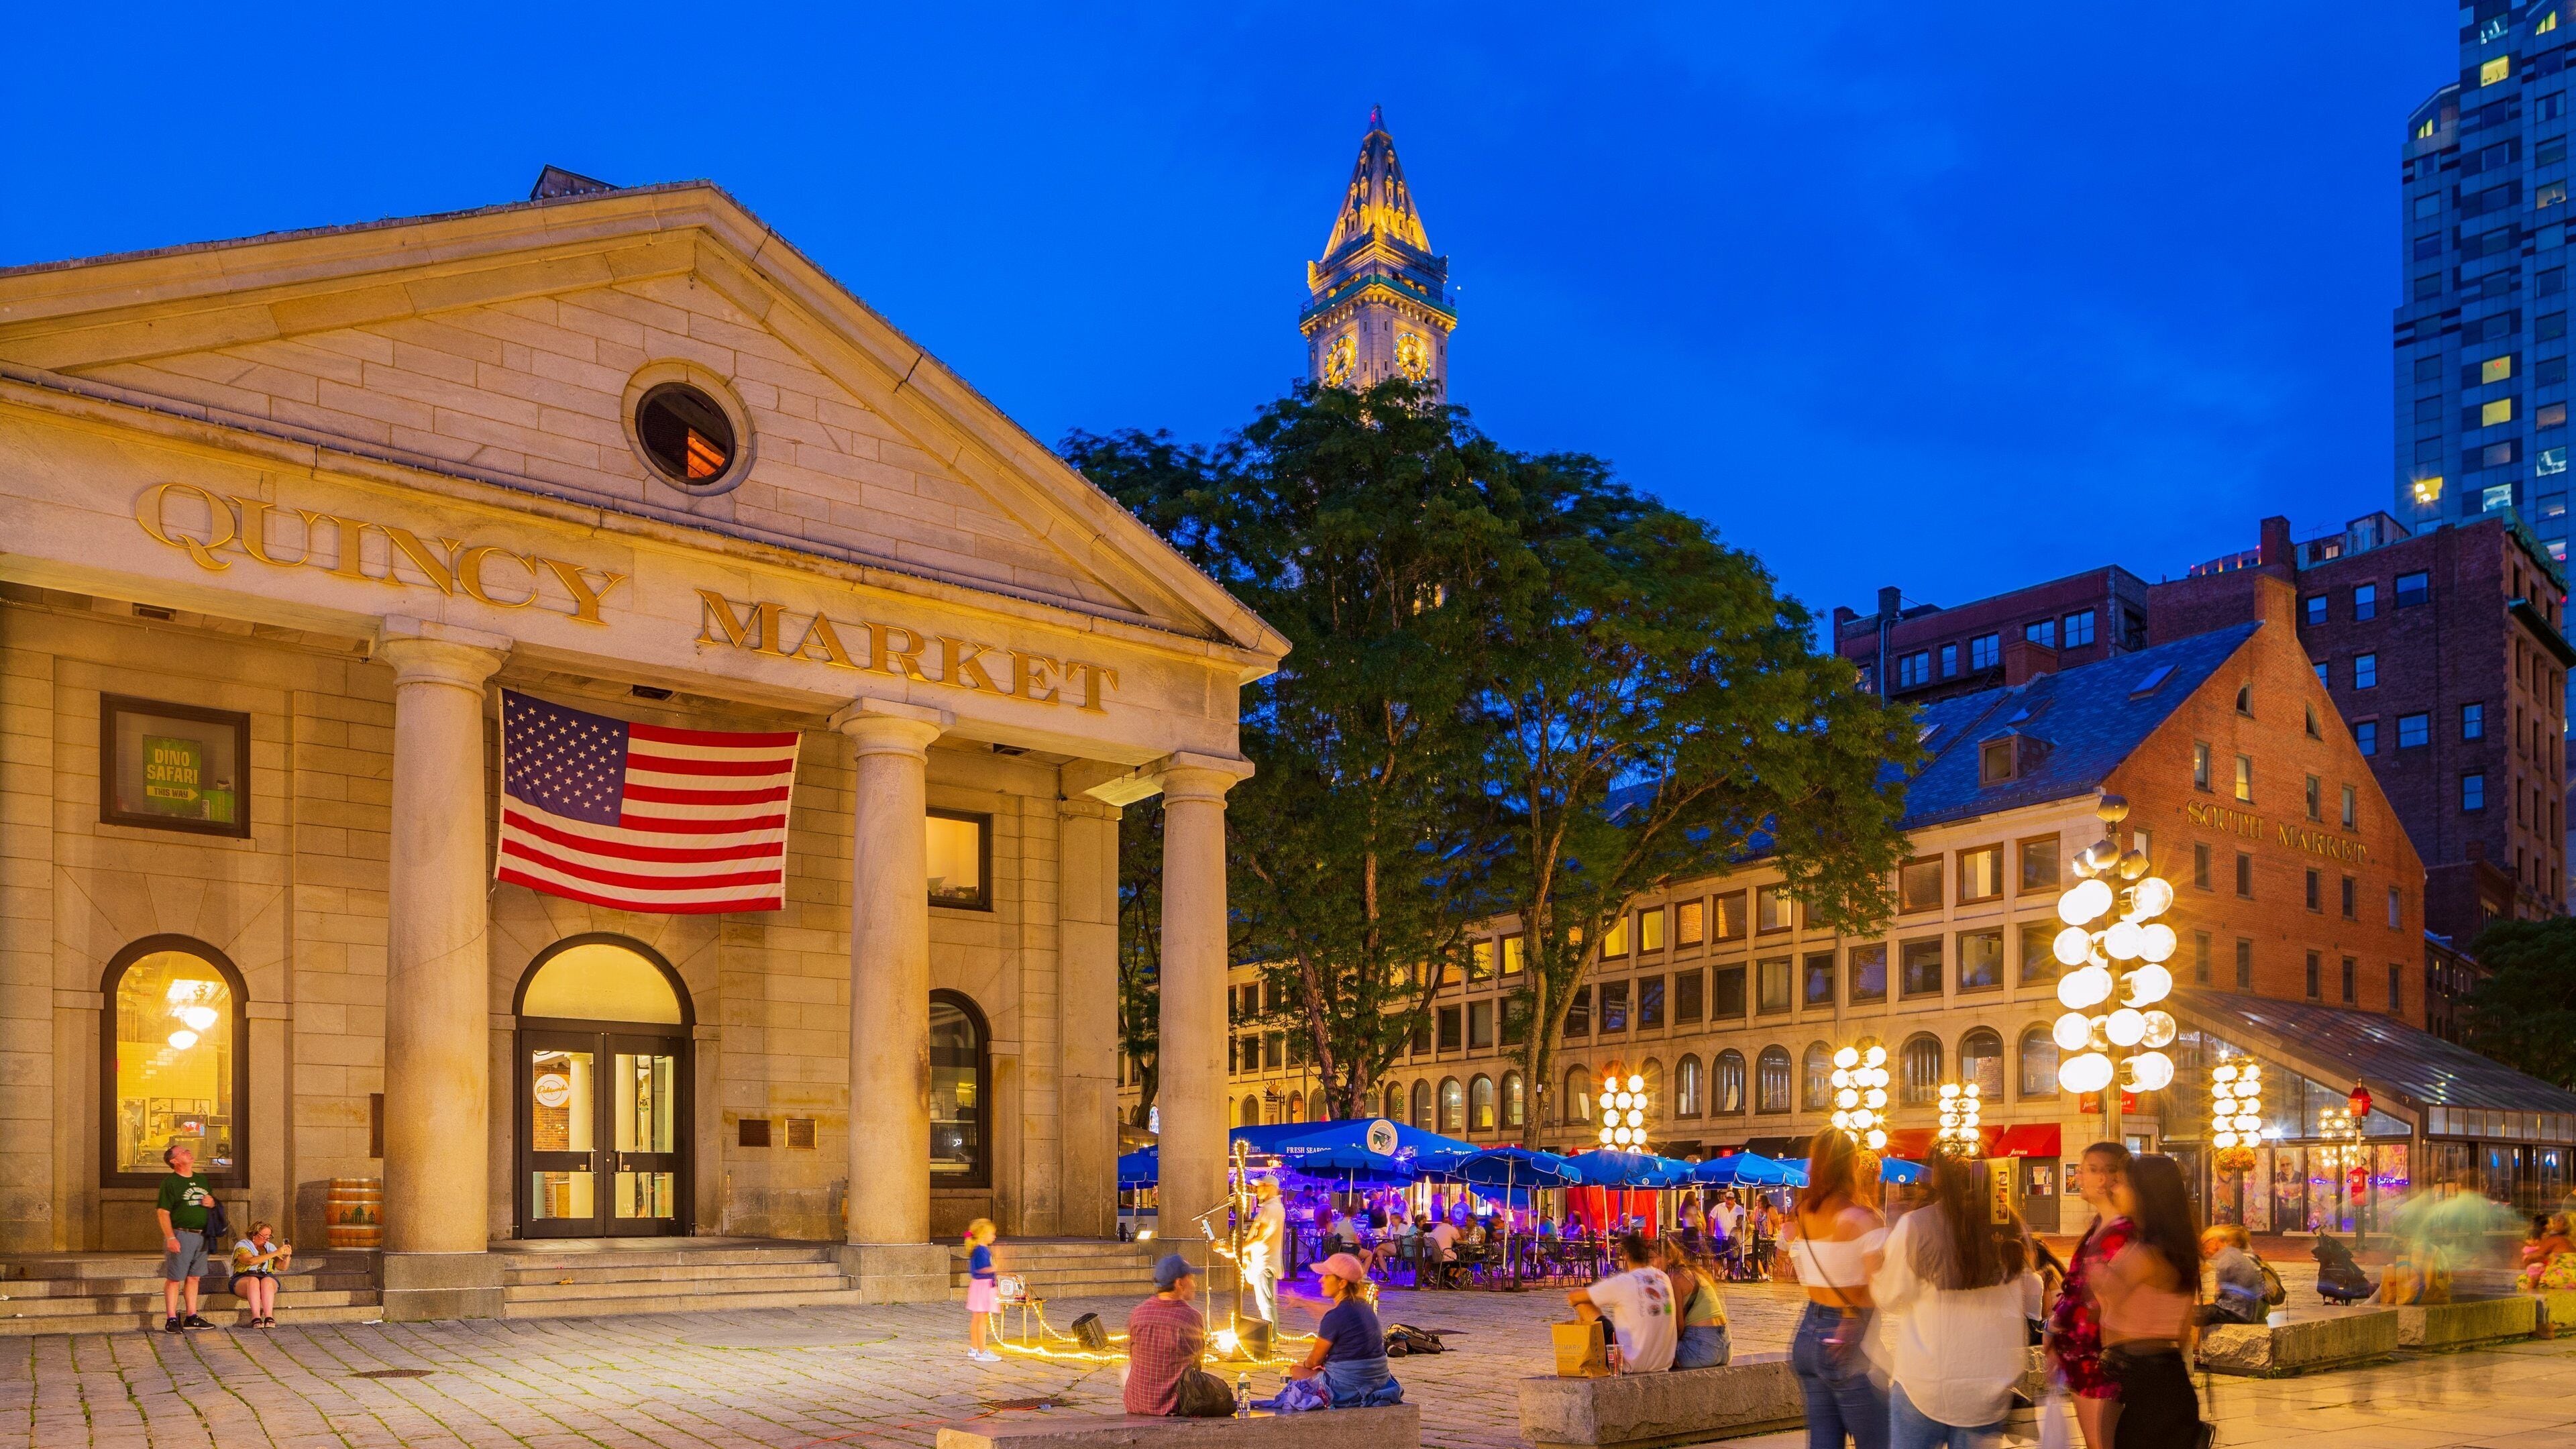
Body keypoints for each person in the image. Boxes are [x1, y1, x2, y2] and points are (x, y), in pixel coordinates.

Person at [1869, 1157, 2040, 1449]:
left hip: (1924, 1381)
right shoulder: (2012, 1227)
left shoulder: (1915, 1225)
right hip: (1988, 1386)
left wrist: (1875, 1273)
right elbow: (2028, 1297)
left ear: (1937, 1180)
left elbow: (1890, 1297)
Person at [2090, 1155, 2204, 1449]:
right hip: (2166, 1377)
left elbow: (2104, 1294)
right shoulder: (2176, 1250)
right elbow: (2183, 1331)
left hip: (2142, 1381)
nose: (2114, 1189)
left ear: (2144, 1193)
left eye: (2122, 1183)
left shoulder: (2146, 1256)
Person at [1786, 1131, 1888, 1449]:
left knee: (1824, 1440)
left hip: (1807, 1334)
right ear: (1852, 1164)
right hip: (1845, 1334)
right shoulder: (1862, 1218)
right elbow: (1880, 1285)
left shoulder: (1803, 1213)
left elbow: (1795, 1265)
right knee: (1879, 1440)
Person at [2045, 1141, 2133, 1449]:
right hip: (2083, 1354)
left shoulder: (2120, 1232)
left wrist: (2054, 1326)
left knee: (2101, 1443)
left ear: (2105, 1177)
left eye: (2085, 1170)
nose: (2078, 1177)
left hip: (2098, 1356)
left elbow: (2091, 1295)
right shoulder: (2100, 1225)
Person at [1286, 1252, 1402, 1405]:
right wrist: (1305, 1303)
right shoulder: (1365, 1308)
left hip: (1347, 1388)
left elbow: (1314, 1360)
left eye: (1327, 1276)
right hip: (1379, 1381)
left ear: (1342, 1283)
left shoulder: (1334, 1316)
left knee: (1294, 1370)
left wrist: (1303, 1365)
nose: (1321, 1280)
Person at [1124, 1254, 1231, 1417]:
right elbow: (1196, 1360)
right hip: (1172, 1406)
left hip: (1136, 1401)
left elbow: (1133, 1356)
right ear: (1179, 1283)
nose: (1194, 1284)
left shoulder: (1138, 1313)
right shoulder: (1191, 1316)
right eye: (1191, 1278)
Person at [1568, 1232, 1677, 1373]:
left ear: (1625, 1256)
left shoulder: (1624, 1281)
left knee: (1583, 1304)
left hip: (1628, 1363)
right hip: (1663, 1362)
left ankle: (1593, 1363)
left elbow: (1574, 1297)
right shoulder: (1663, 1277)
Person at [155, 1143, 219, 1333]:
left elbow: (210, 1202)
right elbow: (163, 1212)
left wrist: (211, 1202)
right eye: (182, 1152)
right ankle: (171, 1318)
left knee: (194, 1277)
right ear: (174, 1161)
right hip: (181, 1234)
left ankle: (192, 1316)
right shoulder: (170, 1183)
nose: (188, 1152)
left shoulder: (201, 1179)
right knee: (175, 1278)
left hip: (202, 1234)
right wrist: (170, 1237)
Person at [1659, 1236, 1731, 1368]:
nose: (1651, 1263)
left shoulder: (1677, 1278)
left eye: (1653, 1257)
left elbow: (1679, 1327)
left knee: (1655, 1354)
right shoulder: (1697, 1272)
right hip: (1726, 1347)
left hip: (1702, 1350)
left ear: (1668, 1259)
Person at [2198, 1225, 2267, 1326]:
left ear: (2214, 1241)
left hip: (2234, 1312)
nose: (2205, 1250)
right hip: (2246, 1312)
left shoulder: (2227, 1259)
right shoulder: (2234, 1255)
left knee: (2189, 1315)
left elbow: (2219, 1296)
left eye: (2205, 1245)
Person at [228, 1222, 292, 1328]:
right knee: (253, 1281)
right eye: (265, 1236)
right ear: (254, 1234)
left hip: (266, 1276)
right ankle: (256, 1317)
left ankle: (269, 1316)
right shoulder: (242, 1245)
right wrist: (276, 1253)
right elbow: (251, 1261)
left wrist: (287, 1257)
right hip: (243, 1278)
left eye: (269, 1236)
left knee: (267, 1281)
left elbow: (282, 1267)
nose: (267, 1239)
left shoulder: (270, 1247)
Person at [1247, 1179, 1286, 1326]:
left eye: (1260, 1187)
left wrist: (1238, 1249)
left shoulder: (1271, 1209)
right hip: (1264, 1261)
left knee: (1266, 1304)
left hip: (1265, 1262)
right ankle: (1271, 1336)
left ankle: (1272, 1337)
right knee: (1265, 1303)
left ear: (1269, 1187)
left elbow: (1259, 1237)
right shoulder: (1274, 1207)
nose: (1257, 1190)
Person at [963, 1218, 1002, 1362]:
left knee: (976, 1318)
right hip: (983, 1286)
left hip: (978, 1286)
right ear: (984, 1234)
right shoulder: (981, 1250)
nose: (994, 1237)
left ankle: (974, 1348)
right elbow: (981, 1268)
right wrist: (994, 1268)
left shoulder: (978, 1249)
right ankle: (981, 1351)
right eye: (992, 1234)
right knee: (981, 1320)